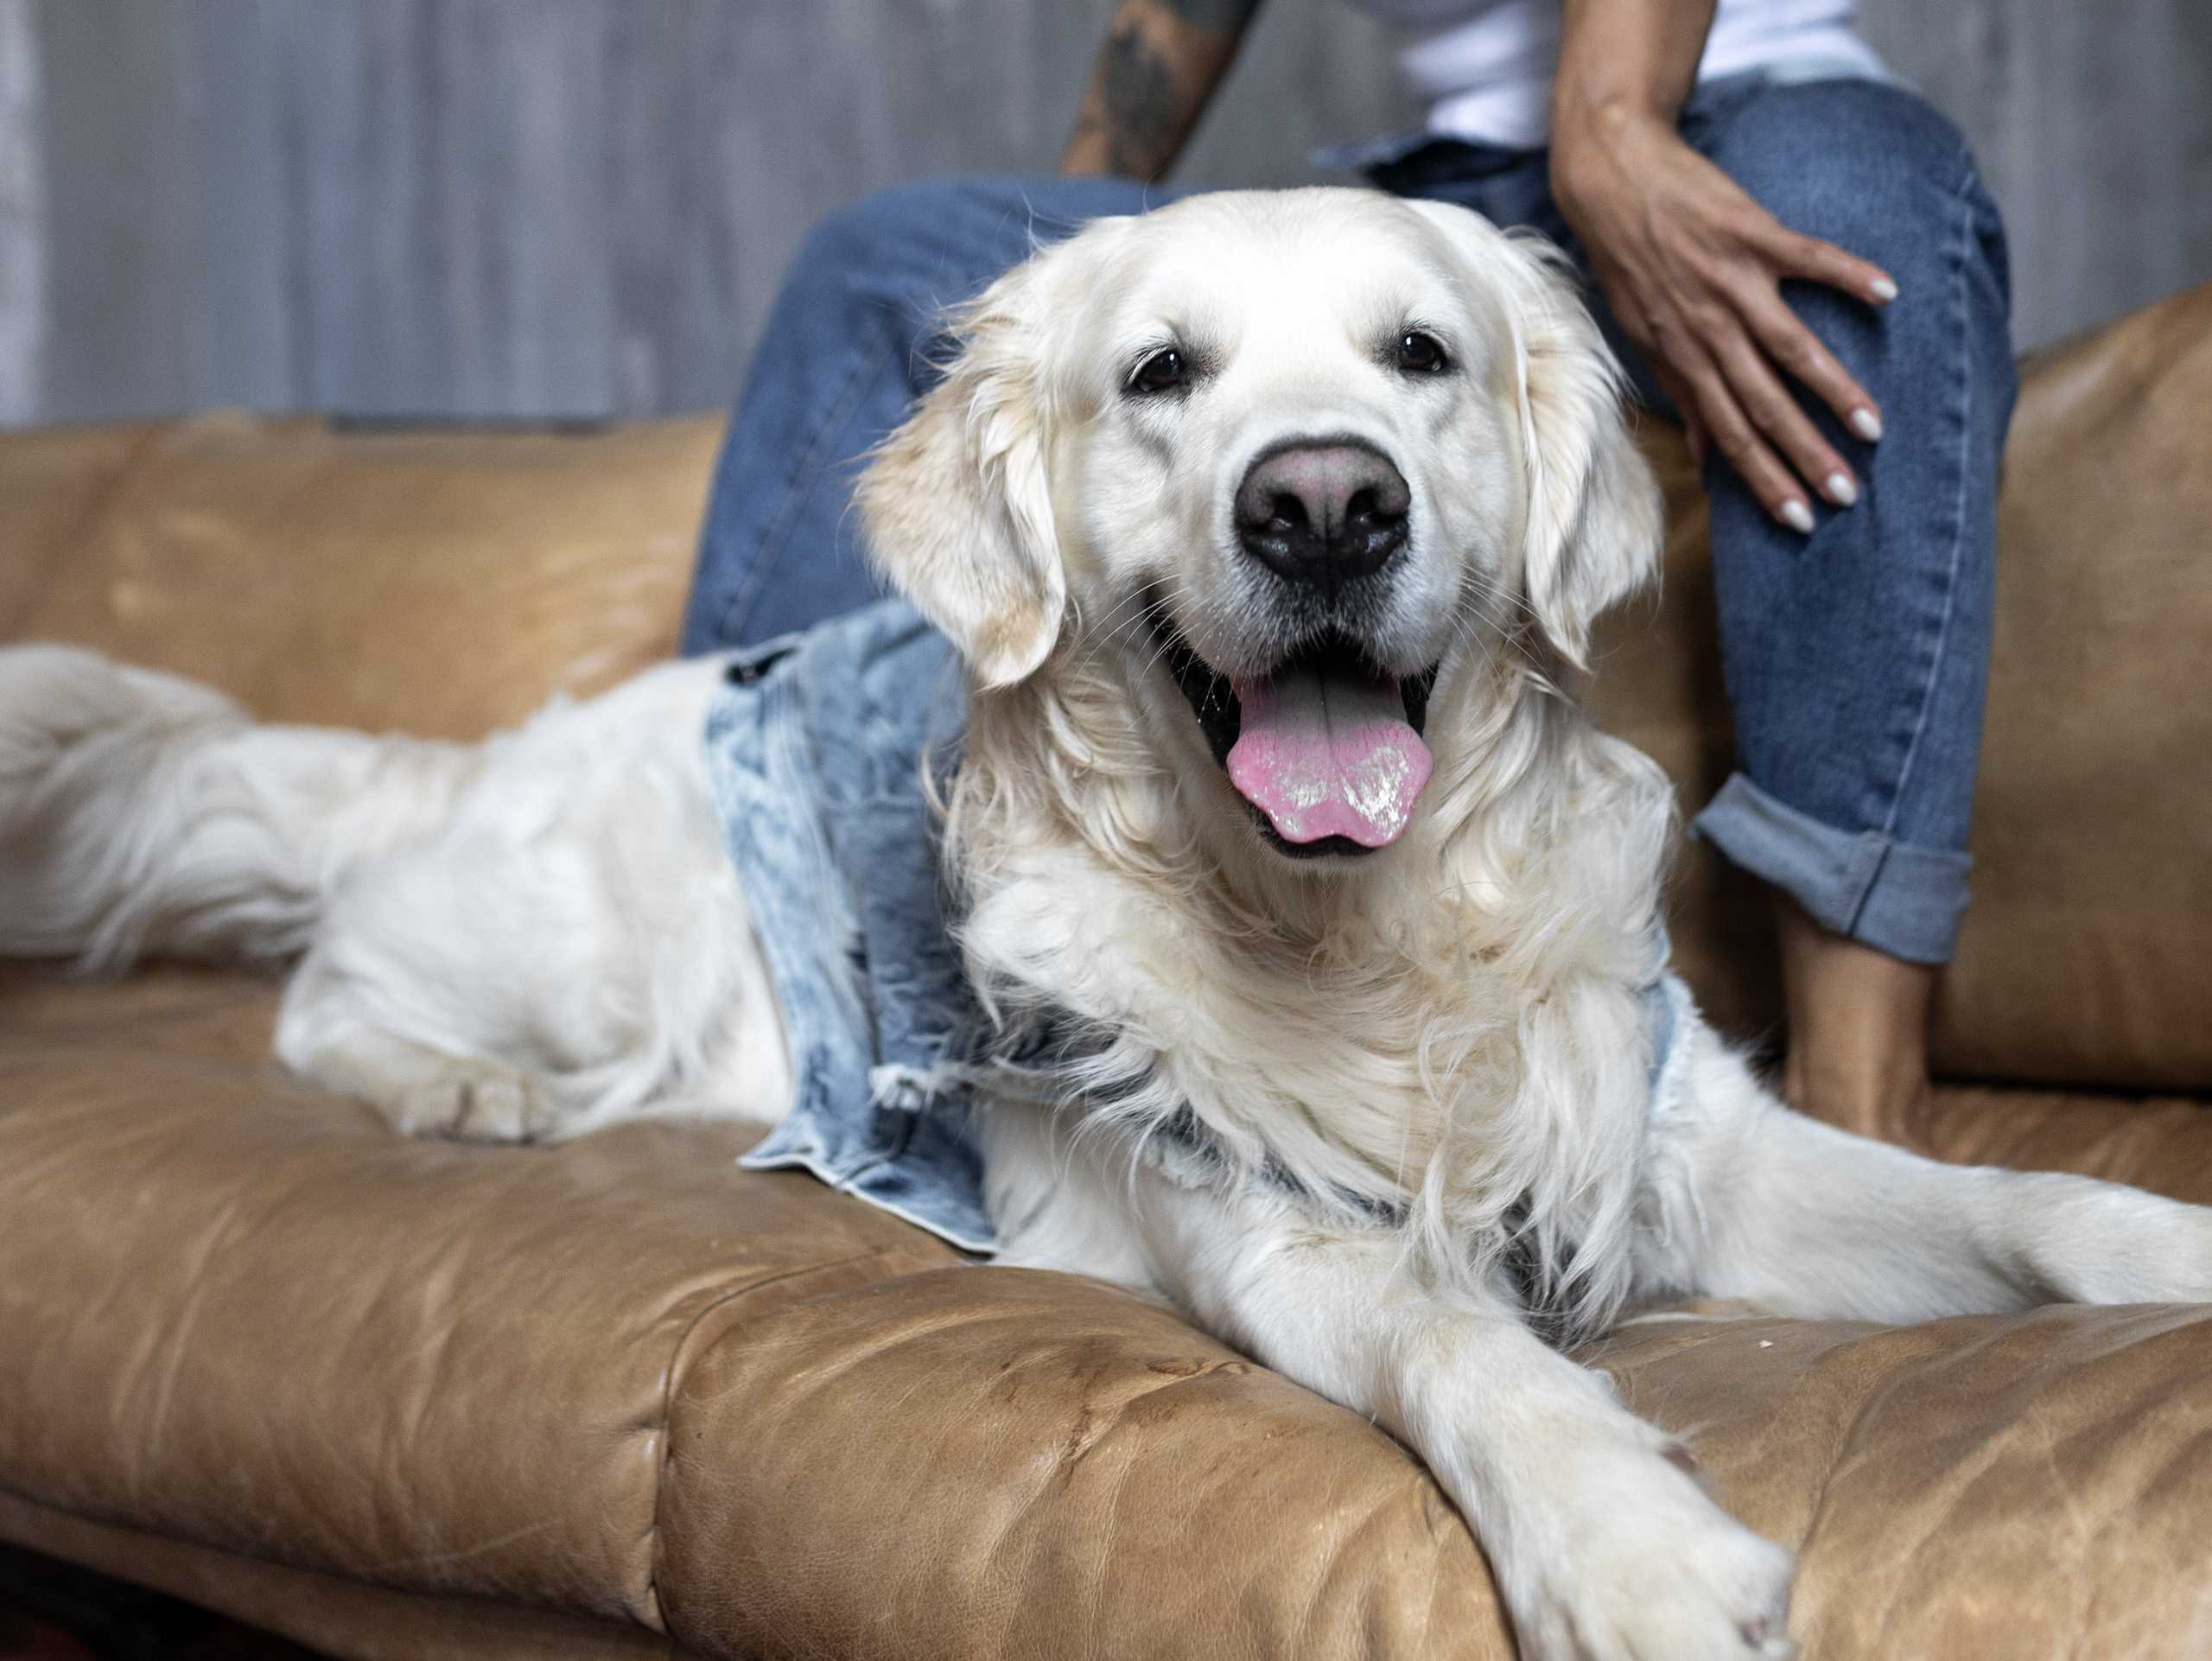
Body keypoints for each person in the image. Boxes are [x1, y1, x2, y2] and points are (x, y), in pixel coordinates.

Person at [679, 0, 2015, 1155]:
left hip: (1738, 117)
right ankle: (763, 879)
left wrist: (1611, 121)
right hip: (1443, 170)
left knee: (1857, 221)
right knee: (875, 262)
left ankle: (1863, 1092)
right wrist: (1083, 238)